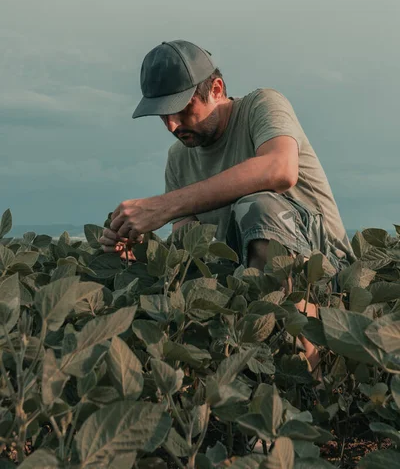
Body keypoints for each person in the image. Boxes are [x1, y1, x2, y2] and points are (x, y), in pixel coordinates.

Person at [100, 39, 355, 372]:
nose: (172, 126)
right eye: (163, 115)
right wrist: (138, 248)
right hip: (243, 291)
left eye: (182, 109)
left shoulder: (262, 105)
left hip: (323, 279)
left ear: (216, 89)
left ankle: (315, 379)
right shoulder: (178, 160)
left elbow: (280, 169)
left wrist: (165, 206)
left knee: (258, 207)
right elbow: (190, 248)